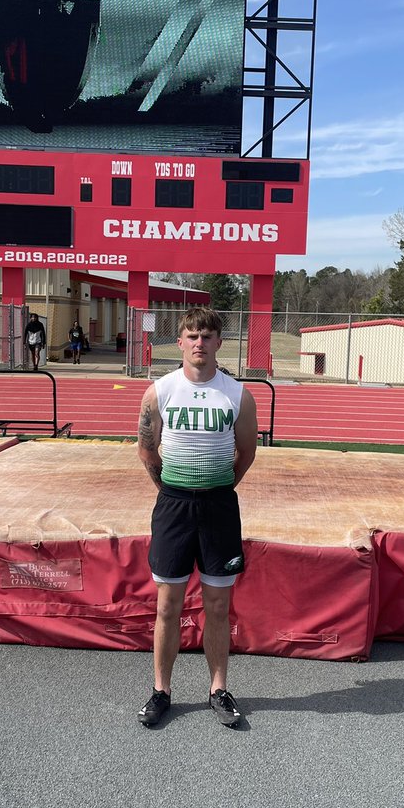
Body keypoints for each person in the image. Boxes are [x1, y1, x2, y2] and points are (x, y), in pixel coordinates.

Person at [135, 306, 258, 729]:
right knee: (168, 606)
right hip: (174, 507)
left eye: (207, 336)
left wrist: (217, 488)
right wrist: (175, 492)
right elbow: (148, 451)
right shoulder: (159, 392)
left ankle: (218, 689)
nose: (199, 343)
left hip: (219, 506)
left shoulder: (237, 394)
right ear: (180, 342)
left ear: (219, 342)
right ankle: (161, 691)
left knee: (218, 606)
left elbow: (247, 452)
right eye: (192, 336)